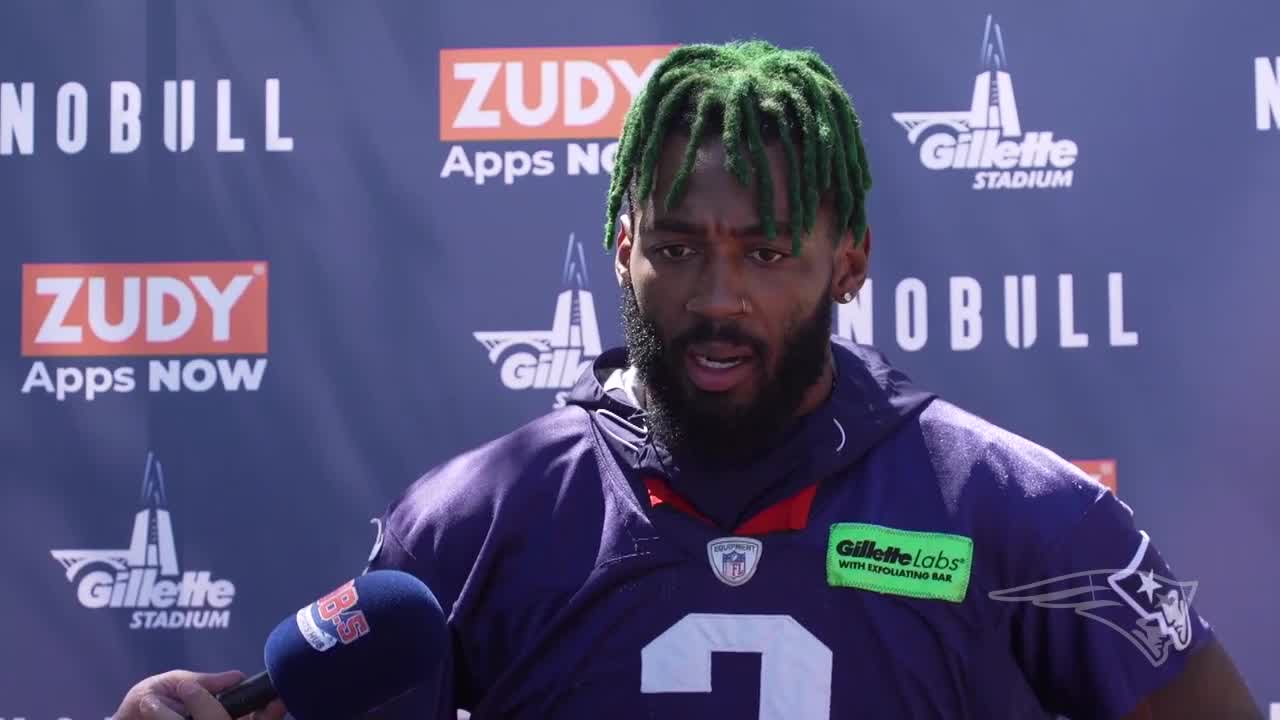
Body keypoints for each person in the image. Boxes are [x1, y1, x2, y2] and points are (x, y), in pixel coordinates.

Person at [115, 40, 1261, 719]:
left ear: (846, 257)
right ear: (621, 248)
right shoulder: (475, 524)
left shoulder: (1018, 518)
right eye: (676, 247)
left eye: (765, 253)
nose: (718, 298)